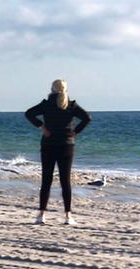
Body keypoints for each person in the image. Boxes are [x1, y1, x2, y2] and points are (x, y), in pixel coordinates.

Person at [25, 79, 91, 225]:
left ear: (52, 89)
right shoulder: (70, 104)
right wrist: (75, 132)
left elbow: (29, 114)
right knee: (65, 181)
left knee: (46, 180)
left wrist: (41, 126)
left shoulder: (47, 104)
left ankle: (41, 215)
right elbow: (87, 118)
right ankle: (68, 216)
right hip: (66, 144)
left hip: (48, 144)